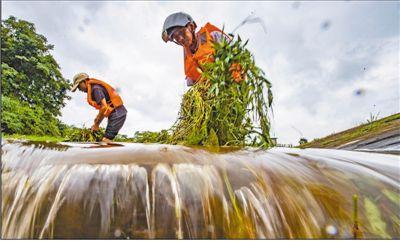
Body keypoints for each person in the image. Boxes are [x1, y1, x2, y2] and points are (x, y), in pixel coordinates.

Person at [162, 12, 244, 86]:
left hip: (231, 86)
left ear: (191, 27)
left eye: (181, 33)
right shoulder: (186, 54)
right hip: (212, 98)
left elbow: (236, 55)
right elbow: (192, 81)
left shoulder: (213, 35)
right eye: (175, 38)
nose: (180, 39)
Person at [71, 73, 127, 143]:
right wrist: (96, 122)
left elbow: (104, 107)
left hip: (117, 114)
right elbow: (104, 109)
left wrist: (96, 124)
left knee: (106, 140)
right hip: (116, 113)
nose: (79, 89)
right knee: (104, 140)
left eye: (79, 86)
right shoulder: (94, 88)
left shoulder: (95, 89)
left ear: (84, 81)